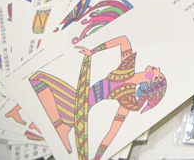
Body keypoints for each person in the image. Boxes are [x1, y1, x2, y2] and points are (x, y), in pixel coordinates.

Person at [29, 35, 166, 160]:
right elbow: (123, 40)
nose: (158, 69)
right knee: (37, 80)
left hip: (77, 109)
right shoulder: (127, 67)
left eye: (158, 76)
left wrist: (97, 157)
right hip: (77, 97)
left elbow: (112, 131)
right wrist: (93, 51)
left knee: (38, 78)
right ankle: (60, 127)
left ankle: (59, 126)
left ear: (150, 83)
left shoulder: (127, 99)